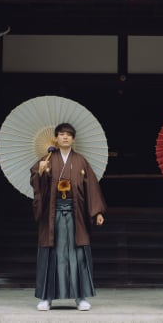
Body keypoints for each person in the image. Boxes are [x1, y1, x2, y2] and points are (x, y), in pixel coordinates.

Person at [31, 121, 107, 311]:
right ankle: (46, 297)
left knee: (78, 254)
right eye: (61, 134)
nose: (65, 137)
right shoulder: (47, 158)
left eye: (69, 134)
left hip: (76, 215)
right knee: (52, 254)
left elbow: (91, 187)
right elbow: (36, 183)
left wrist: (97, 211)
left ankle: (80, 297)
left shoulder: (80, 160)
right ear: (55, 138)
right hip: (53, 214)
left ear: (73, 139)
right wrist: (39, 172)